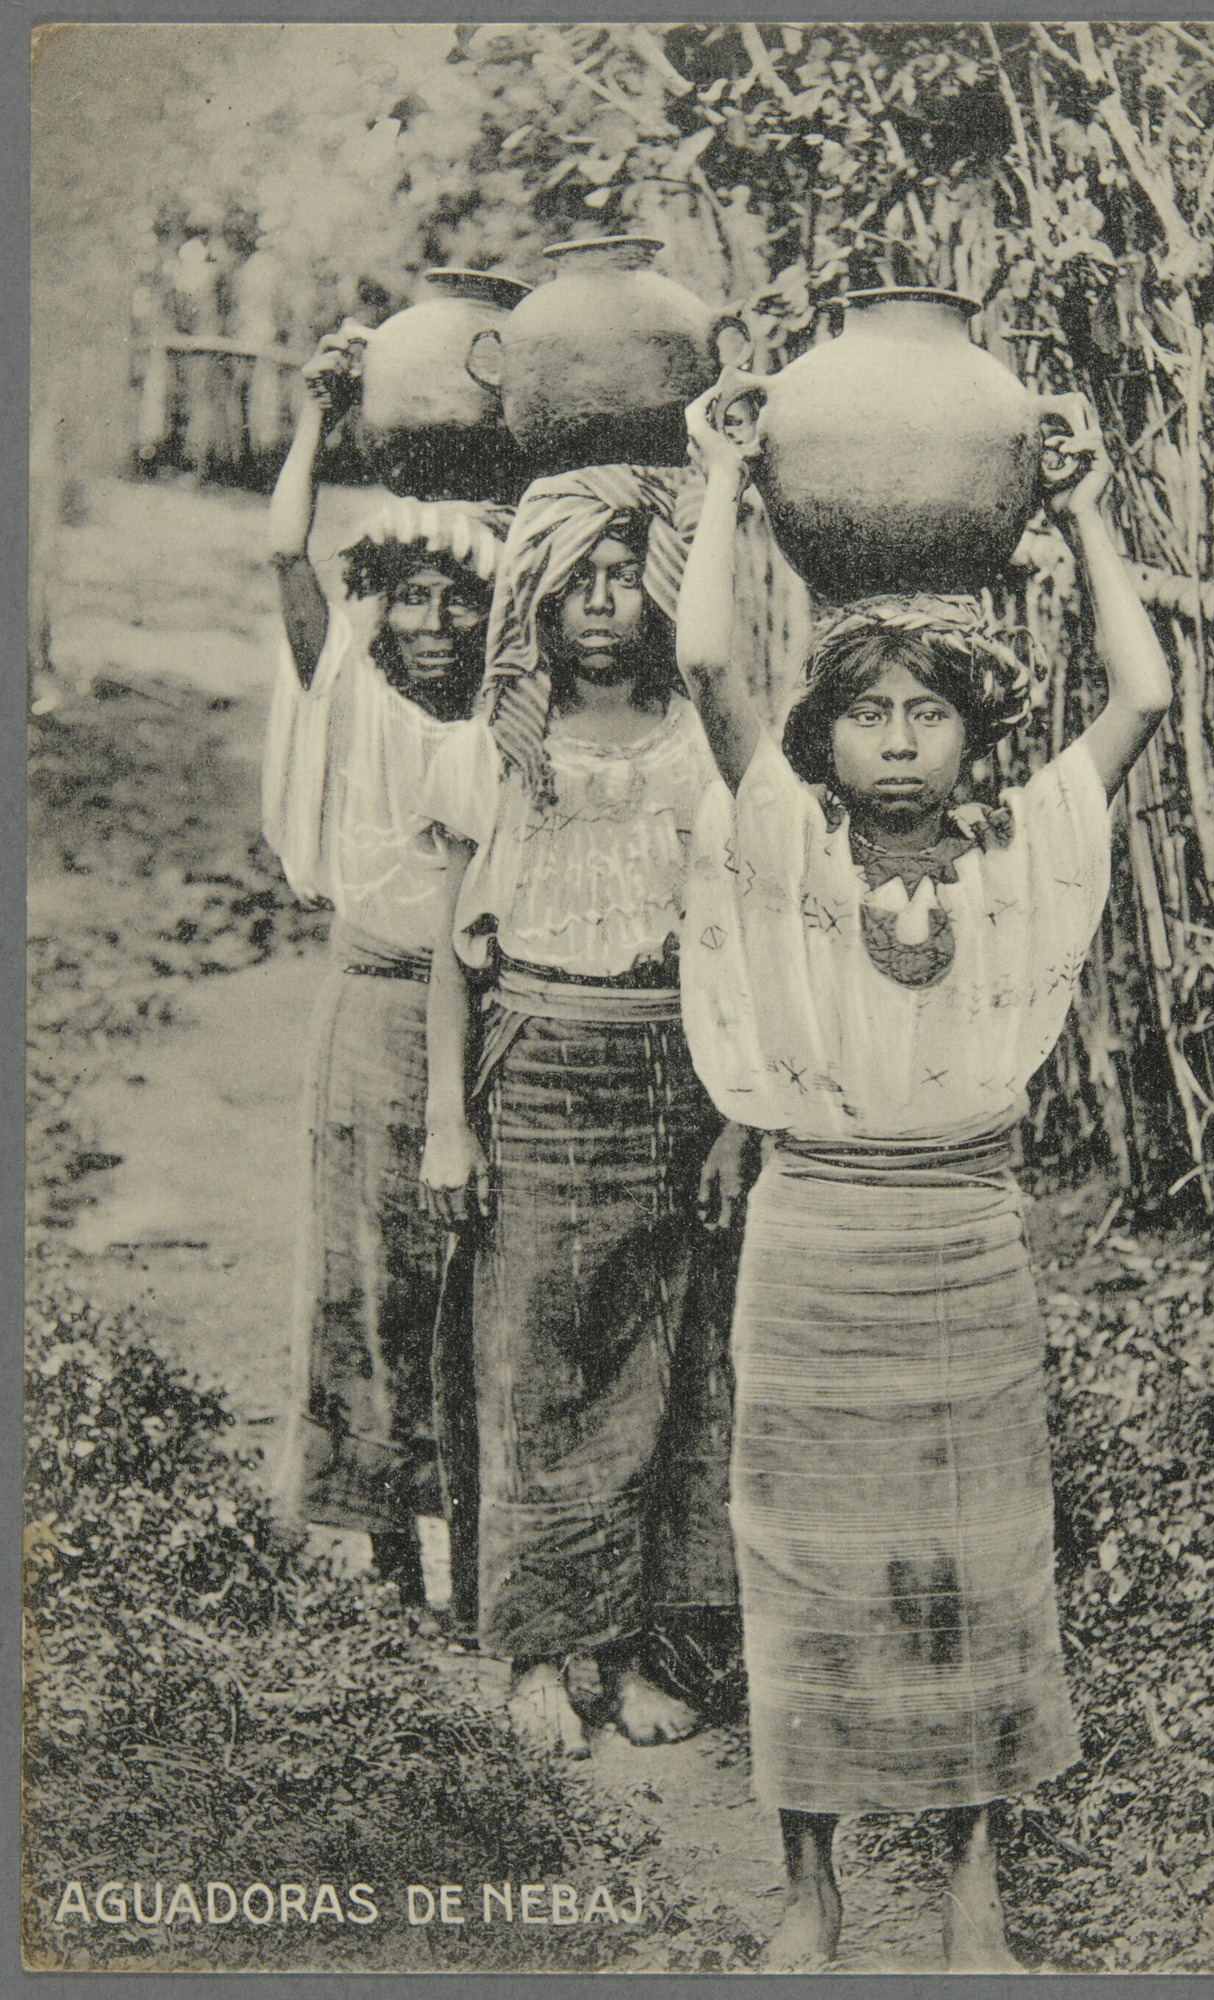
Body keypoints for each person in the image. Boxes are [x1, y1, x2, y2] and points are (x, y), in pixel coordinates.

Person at [674, 386, 1172, 1966]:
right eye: (868, 715)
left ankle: (971, 1883)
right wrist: (722, 478)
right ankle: (806, 1885)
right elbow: (703, 659)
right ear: (820, 738)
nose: (897, 740)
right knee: (800, 1552)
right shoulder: (787, 847)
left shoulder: (1021, 851)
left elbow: (1146, 691)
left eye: (929, 714)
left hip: (962, 1237)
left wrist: (1083, 510)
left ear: (975, 733)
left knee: (976, 1558)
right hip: (814, 1235)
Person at [416, 465, 747, 1757]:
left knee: (668, 1365)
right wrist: (448, 1122)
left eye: (622, 577)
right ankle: (539, 1652)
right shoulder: (492, 751)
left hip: (674, 1070)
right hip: (538, 1071)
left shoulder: (699, 750)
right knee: (534, 1367)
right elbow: (453, 957)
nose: (601, 604)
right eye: (575, 584)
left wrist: (738, 1118)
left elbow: (740, 943)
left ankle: (634, 1647)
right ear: (535, 603)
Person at [263, 325, 509, 1610]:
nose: (433, 622)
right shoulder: (350, 692)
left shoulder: (508, 719)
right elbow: (283, 552)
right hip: (373, 1009)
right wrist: (320, 416)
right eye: (411, 597)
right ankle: (384, 1543)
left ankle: (476, 1535)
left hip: (491, 1021)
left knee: (474, 1278)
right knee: (371, 1265)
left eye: (458, 598)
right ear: (380, 607)